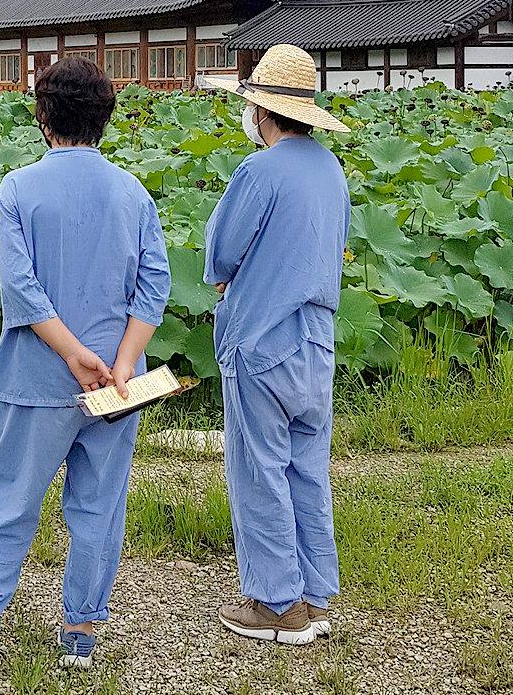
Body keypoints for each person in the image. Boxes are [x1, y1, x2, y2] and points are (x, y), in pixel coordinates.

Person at [0, 56, 171, 671]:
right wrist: (122, 364)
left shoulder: (18, 187)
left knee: (10, 496)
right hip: (121, 385)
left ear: (43, 116)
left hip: (41, 374)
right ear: (106, 117)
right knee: (100, 505)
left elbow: (21, 288)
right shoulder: (134, 192)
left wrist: (72, 354)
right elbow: (155, 287)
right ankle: (81, 634)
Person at [203, 44, 350, 644]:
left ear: (261, 112)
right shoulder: (331, 170)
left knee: (260, 469)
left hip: (261, 341)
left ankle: (273, 603)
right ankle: (314, 596)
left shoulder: (257, 172)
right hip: (317, 341)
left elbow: (220, 258)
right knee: (308, 468)